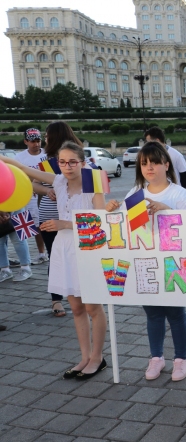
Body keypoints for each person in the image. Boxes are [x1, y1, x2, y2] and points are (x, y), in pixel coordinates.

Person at [1, 142, 108, 380]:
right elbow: (23, 169)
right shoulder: (59, 181)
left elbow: (102, 222)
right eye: (62, 161)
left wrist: (66, 224)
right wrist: (4, 161)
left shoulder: (93, 181)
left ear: (82, 162)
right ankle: (84, 356)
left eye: (72, 161)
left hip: (88, 247)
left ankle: (98, 357)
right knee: (77, 308)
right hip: (64, 248)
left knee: (92, 307)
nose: (67, 166)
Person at [106, 142, 186, 381]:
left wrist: (167, 209)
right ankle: (156, 358)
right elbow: (123, 228)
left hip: (173, 263)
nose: (149, 167)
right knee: (153, 313)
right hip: (143, 262)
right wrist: (112, 209)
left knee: (175, 313)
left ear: (166, 164)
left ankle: (180, 359)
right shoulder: (136, 194)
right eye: (144, 163)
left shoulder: (179, 193)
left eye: (154, 162)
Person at [34, 122, 84, 317]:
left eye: (47, 136)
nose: (45, 139)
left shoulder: (79, 156)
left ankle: (79, 291)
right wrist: (48, 190)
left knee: (77, 254)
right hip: (49, 213)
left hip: (74, 215)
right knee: (55, 256)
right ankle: (57, 299)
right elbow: (34, 184)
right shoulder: (46, 161)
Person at [15, 128, 48, 264]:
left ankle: (42, 253)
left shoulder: (47, 154)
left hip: (45, 194)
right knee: (26, 226)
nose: (36, 144)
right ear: (25, 142)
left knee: (40, 224)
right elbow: (17, 176)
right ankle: (25, 257)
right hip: (27, 196)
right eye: (33, 141)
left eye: (38, 141)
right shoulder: (19, 158)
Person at [0, 210, 32, 283]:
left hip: (17, 205)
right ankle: (4, 269)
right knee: (0, 242)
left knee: (19, 239)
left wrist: (6, 211)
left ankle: (26, 268)